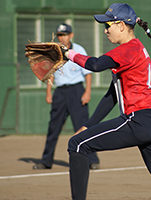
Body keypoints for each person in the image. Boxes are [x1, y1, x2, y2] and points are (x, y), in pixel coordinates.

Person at [65, 3, 151, 200]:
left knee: (77, 145)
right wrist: (88, 125)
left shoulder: (128, 49)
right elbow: (112, 95)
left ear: (121, 25)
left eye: (108, 25)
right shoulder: (135, 50)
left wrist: (67, 53)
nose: (105, 31)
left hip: (140, 120)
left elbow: (94, 64)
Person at [33, 23, 100, 170]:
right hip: (60, 93)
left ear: (71, 35)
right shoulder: (53, 52)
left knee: (83, 127)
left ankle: (92, 160)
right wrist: (48, 92)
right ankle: (46, 161)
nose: (62, 38)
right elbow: (50, 74)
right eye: (60, 35)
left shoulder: (79, 49)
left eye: (65, 35)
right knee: (53, 128)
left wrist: (87, 91)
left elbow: (87, 73)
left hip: (77, 91)